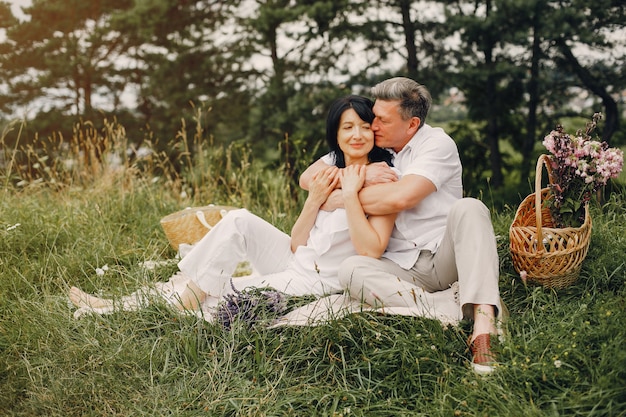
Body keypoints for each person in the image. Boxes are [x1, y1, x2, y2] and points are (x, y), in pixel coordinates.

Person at [69, 95, 397, 316]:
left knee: (218, 291)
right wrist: (316, 199)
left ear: (376, 132)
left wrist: (355, 188)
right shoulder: (328, 170)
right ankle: (133, 301)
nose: (357, 135)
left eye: (366, 127)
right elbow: (298, 243)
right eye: (348, 127)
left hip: (318, 280)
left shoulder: (385, 178)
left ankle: (117, 308)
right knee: (238, 221)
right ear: (336, 134)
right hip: (295, 260)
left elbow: (372, 248)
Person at [299, 77, 503, 375]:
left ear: (411, 124)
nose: (372, 126)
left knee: (470, 207)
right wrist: (356, 182)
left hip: (443, 257)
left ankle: (485, 326)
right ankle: (439, 308)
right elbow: (308, 179)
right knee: (351, 269)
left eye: (381, 120)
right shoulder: (379, 150)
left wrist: (336, 198)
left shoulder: (436, 144)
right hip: (399, 266)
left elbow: (400, 197)